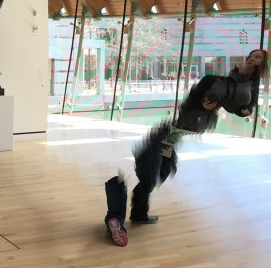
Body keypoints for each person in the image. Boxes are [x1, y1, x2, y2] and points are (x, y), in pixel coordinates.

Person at [105, 48, 268, 242]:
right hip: (166, 134)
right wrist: (202, 104)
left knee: (165, 170)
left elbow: (246, 105)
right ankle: (131, 204)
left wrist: (245, 111)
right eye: (252, 55)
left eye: (258, 57)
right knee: (151, 175)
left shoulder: (246, 86)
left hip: (173, 136)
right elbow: (193, 100)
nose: (252, 58)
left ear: (261, 64)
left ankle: (138, 210)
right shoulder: (213, 82)